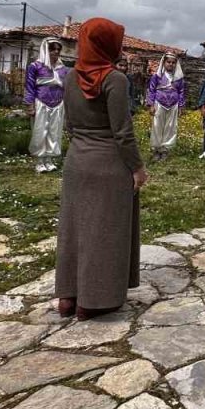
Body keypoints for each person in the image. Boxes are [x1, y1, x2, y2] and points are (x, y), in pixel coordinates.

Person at [56, 18, 148, 321]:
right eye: (117, 41)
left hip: (77, 161)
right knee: (105, 231)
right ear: (106, 44)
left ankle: (68, 297)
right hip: (109, 164)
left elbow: (69, 123)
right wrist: (137, 168)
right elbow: (122, 131)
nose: (120, 46)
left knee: (75, 229)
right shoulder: (114, 79)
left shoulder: (69, 77)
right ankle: (95, 301)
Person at [24, 38, 69, 173]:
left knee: (54, 131)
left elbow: (67, 87)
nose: (56, 52)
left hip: (58, 104)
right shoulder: (35, 66)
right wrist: (29, 104)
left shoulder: (63, 69)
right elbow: (29, 87)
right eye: (52, 49)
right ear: (45, 50)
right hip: (41, 102)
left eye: (58, 49)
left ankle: (49, 159)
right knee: (40, 131)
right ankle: (39, 160)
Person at [146, 52, 185, 161]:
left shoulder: (179, 78)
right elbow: (151, 90)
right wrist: (151, 104)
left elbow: (181, 91)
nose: (171, 64)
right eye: (168, 62)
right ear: (164, 62)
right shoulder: (157, 76)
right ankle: (156, 149)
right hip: (159, 103)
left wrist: (181, 106)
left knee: (170, 127)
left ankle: (164, 150)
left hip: (173, 104)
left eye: (173, 63)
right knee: (157, 126)